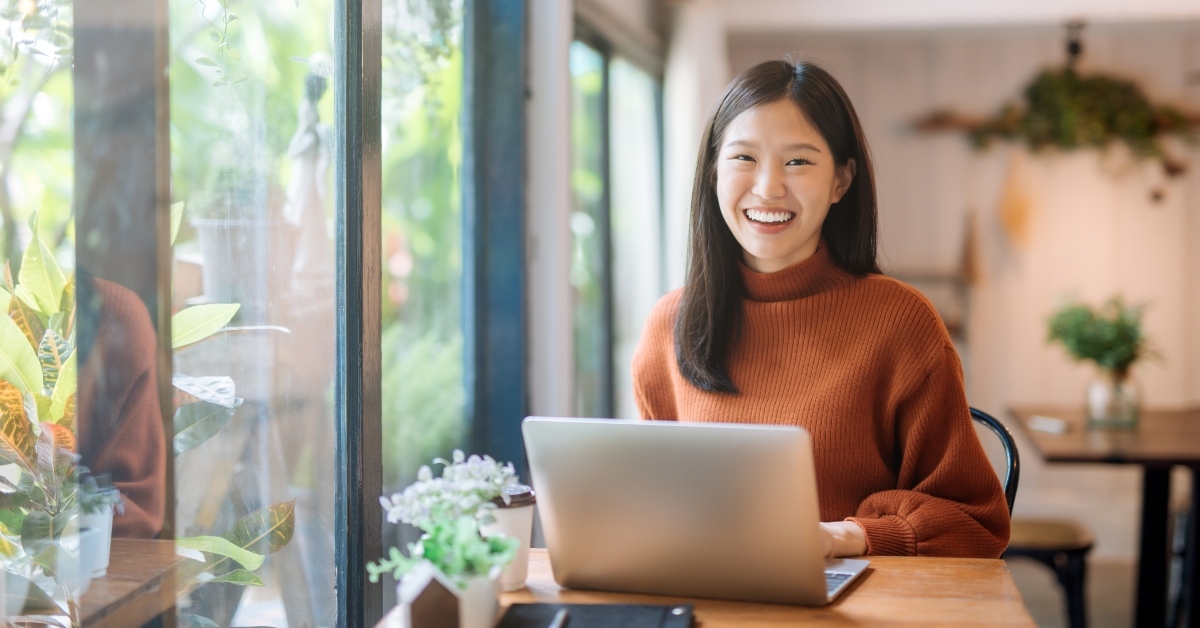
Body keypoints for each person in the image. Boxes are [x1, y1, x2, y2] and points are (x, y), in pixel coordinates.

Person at [631, 60, 1009, 559]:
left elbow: (976, 520)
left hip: (853, 603)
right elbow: (651, 499)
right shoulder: (670, 324)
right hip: (706, 593)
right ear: (713, 172)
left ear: (841, 180)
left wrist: (848, 537)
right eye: (744, 157)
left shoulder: (901, 322)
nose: (767, 188)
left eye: (798, 162)